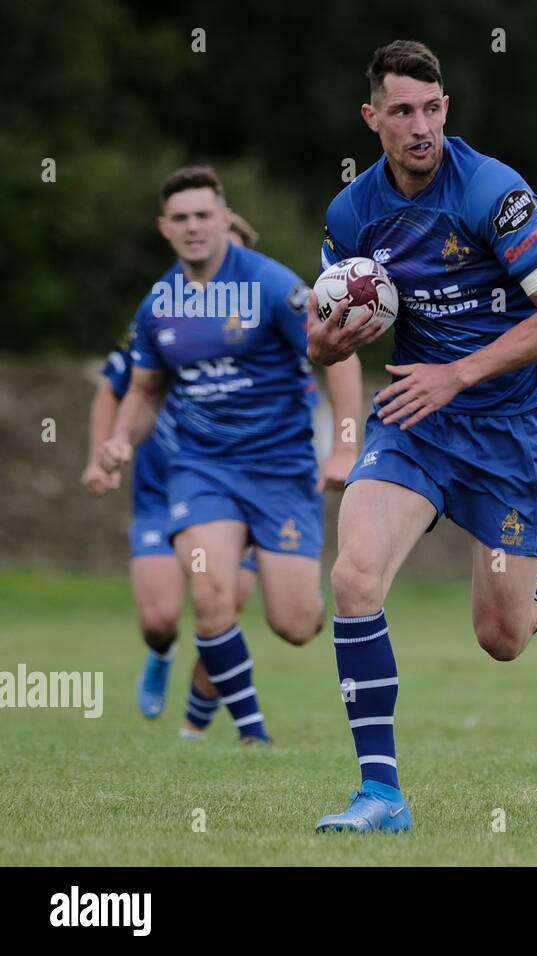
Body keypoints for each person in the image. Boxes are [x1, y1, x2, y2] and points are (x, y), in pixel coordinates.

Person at [308, 41, 537, 833]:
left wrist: (459, 374)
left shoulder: (495, 195)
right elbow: (327, 331)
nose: (420, 126)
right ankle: (381, 795)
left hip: (506, 432)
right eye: (402, 111)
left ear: (446, 111)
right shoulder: (352, 214)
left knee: (501, 640)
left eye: (432, 109)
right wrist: (324, 348)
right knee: (355, 579)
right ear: (373, 119)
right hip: (414, 424)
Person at [100, 166, 362, 743]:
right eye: (181, 218)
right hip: (202, 471)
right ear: (164, 228)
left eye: (203, 215)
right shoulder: (160, 306)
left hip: (281, 471)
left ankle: (287, 612)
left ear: (224, 219)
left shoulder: (272, 286)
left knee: (295, 623)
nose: (193, 227)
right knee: (210, 591)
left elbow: (340, 357)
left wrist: (345, 447)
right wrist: (122, 437)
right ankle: (252, 733)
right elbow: (144, 391)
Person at [80, 212, 263, 728]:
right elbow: (112, 385)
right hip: (162, 496)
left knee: (222, 611)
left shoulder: (260, 326)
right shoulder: (161, 315)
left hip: (233, 498)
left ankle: (194, 729)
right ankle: (161, 654)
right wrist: (101, 456)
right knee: (160, 619)